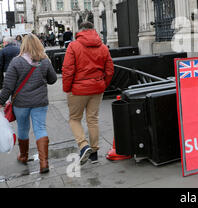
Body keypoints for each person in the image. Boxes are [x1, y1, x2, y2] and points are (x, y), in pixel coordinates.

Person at [0, 34, 57, 173]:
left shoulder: (16, 62)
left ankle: (24, 156)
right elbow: (53, 79)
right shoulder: (44, 60)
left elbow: (8, 86)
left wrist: (1, 101)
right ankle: (44, 163)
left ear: (23, 45)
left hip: (21, 103)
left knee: (23, 129)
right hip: (40, 102)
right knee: (40, 128)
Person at [62, 21, 114, 165]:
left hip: (77, 89)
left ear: (80, 31)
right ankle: (94, 153)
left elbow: (67, 70)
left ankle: (83, 145)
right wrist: (103, 84)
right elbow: (110, 69)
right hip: (97, 88)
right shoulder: (103, 47)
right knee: (92, 119)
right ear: (93, 30)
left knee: (74, 119)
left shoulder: (73, 46)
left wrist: (67, 88)